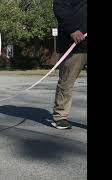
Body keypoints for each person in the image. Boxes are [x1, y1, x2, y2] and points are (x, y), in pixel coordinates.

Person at [51, 0, 87, 129]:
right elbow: (60, 8)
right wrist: (73, 29)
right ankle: (60, 116)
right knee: (66, 81)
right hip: (73, 44)